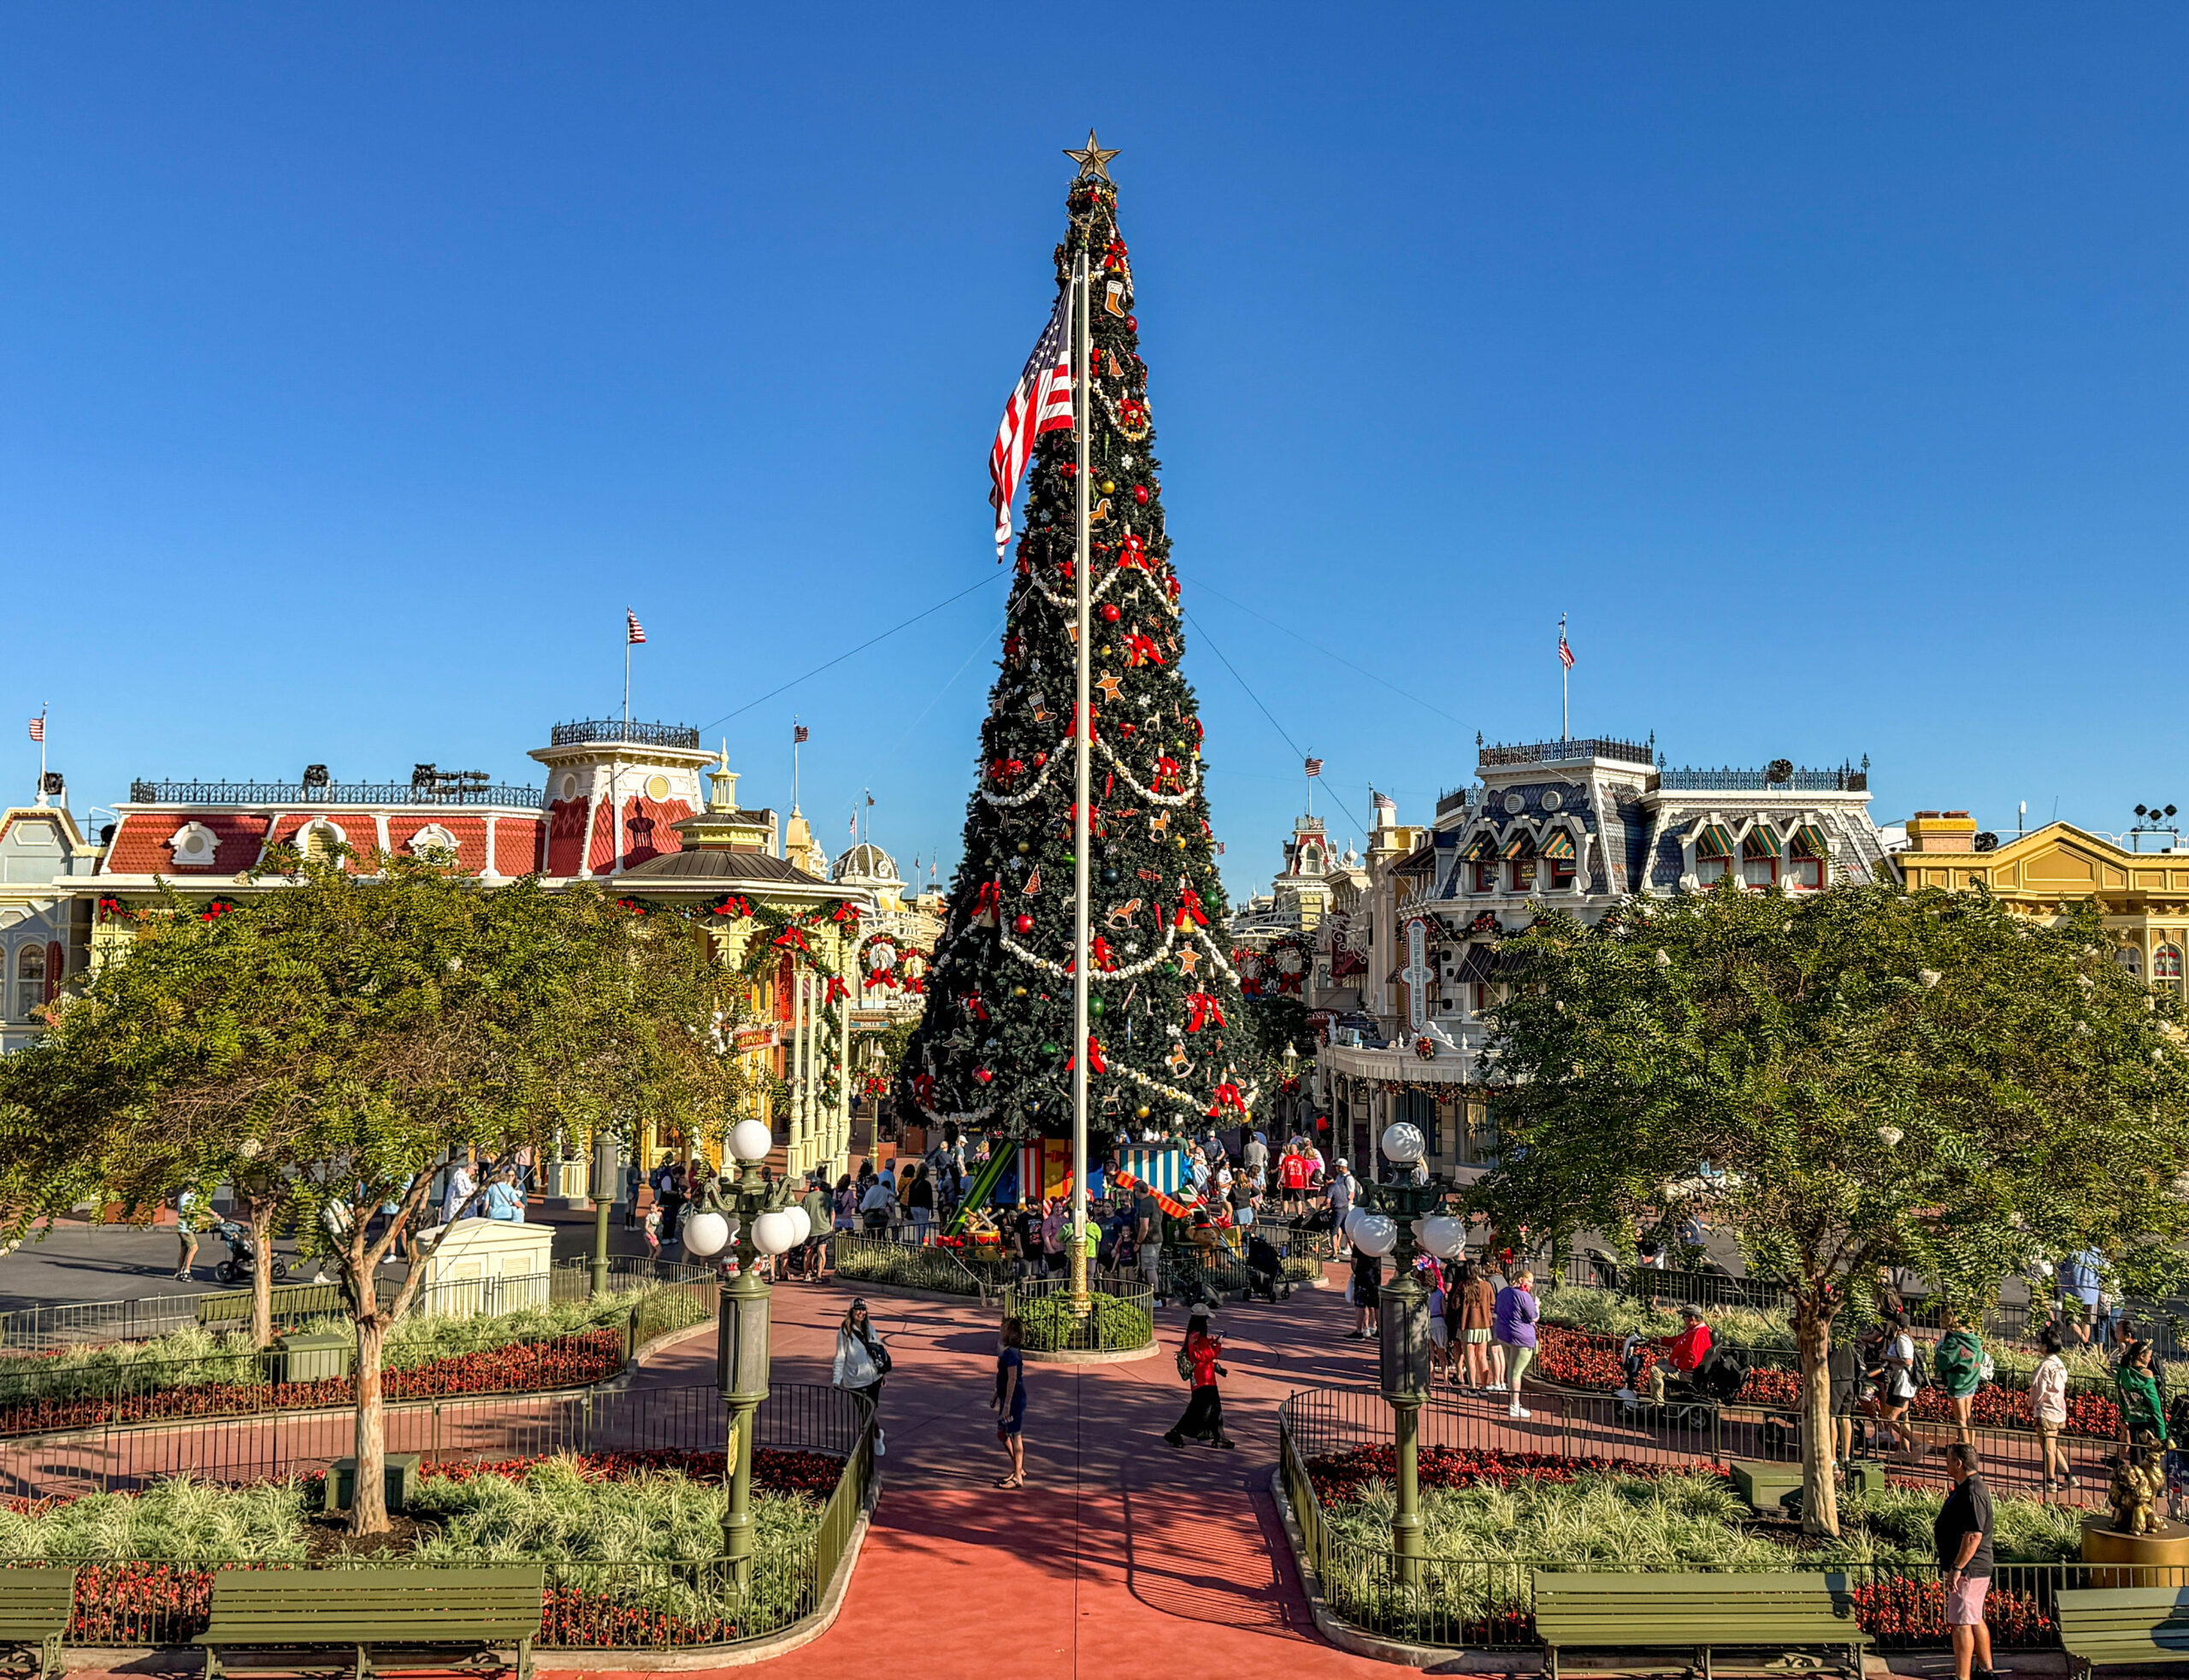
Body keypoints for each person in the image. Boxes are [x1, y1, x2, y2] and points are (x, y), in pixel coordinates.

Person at [1934, 1441, 1996, 1680]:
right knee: (1973, 1617)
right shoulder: (1967, 1488)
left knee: (1960, 1622)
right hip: (1972, 1567)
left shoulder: (1972, 1491)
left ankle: (1963, 1677)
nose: (1946, 1464)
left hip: (1970, 1568)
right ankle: (1986, 1671)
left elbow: (1974, 1535)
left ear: (1959, 1463)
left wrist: (1957, 1567)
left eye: (1948, 1459)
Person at [1163, 1307, 1234, 1449]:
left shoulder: (1197, 1337)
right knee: (1199, 1410)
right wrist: (1217, 1345)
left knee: (1214, 1408)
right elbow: (1205, 1355)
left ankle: (1218, 1436)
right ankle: (1176, 1432)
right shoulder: (1196, 1337)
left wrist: (1213, 1345)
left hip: (1206, 1378)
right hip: (1203, 1380)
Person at [832, 1299, 891, 1457]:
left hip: (873, 1377)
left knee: (870, 1412)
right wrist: (836, 1379)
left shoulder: (870, 1328)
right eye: (857, 1309)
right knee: (866, 1412)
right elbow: (840, 1356)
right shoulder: (845, 1332)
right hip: (855, 1379)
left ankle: (874, 1439)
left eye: (863, 1309)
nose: (861, 1312)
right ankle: (875, 1436)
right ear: (851, 1312)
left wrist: (883, 1372)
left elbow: (879, 1350)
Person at [2029, 1324, 2073, 1493]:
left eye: (2040, 1343)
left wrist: (2030, 1404)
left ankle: (2050, 1481)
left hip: (2046, 1409)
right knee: (2052, 1444)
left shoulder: (2045, 1366)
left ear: (2046, 1347)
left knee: (2047, 1446)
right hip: (2058, 1408)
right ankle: (2069, 1476)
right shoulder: (2060, 1364)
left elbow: (2038, 1390)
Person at [1933, 1308, 1985, 1447]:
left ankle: (1966, 1450)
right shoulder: (1973, 1338)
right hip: (1972, 1378)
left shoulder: (1954, 1341)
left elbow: (1944, 1361)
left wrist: (1938, 1358)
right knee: (1968, 1416)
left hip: (1958, 1382)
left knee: (1961, 1419)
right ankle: (1971, 1445)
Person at [1492, 1266, 1539, 1419]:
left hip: (1504, 1334)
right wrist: (1537, 1306)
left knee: (1511, 1370)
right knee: (1516, 1372)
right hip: (1521, 1337)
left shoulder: (1504, 1292)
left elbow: (1497, 1310)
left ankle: (1514, 1403)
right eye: (1530, 1281)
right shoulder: (1524, 1296)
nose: (1531, 1285)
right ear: (1522, 1280)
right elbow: (1533, 1317)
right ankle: (1514, 1405)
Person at [1646, 1305, 1714, 1403]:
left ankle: (1658, 1403)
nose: (1683, 1319)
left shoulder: (1700, 1334)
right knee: (1661, 1362)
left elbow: (1692, 1360)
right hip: (1683, 1369)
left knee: (1654, 1371)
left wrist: (1676, 1362)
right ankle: (1664, 1397)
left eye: (1684, 1317)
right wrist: (1660, 1341)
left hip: (1687, 1374)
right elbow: (1677, 1340)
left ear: (1693, 1318)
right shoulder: (1693, 1331)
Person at [991, 1315, 1028, 1488]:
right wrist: (997, 1394)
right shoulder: (1007, 1353)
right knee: (1002, 1433)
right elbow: (1003, 1378)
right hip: (1007, 1398)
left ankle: (1018, 1475)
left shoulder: (1012, 1355)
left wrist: (1007, 1405)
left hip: (1013, 1400)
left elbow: (1012, 1379)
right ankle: (1017, 1468)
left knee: (1015, 1434)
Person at [1879, 1311, 1921, 1461]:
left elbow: (1907, 1361)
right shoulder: (1898, 1338)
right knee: (1903, 1417)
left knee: (1890, 1419)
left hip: (1903, 1384)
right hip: (1898, 1382)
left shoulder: (1902, 1339)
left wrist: (1887, 1357)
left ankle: (1917, 1445)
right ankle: (1905, 1450)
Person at [1455, 1259, 1498, 1391]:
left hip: (1467, 1324)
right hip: (1484, 1325)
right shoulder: (1487, 1285)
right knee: (1482, 1356)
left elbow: (1455, 1304)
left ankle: (1472, 1386)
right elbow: (1493, 1303)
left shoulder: (1463, 1286)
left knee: (1470, 1358)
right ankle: (1484, 1387)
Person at [2118, 1337, 2167, 1444]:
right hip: (2148, 1424)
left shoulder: (2124, 1373)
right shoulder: (2146, 1376)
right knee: (2150, 1459)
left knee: (2136, 1458)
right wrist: (2162, 1435)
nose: (2150, 1359)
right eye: (2149, 1357)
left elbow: (2120, 1398)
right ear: (2141, 1356)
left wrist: (2125, 1416)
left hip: (2133, 1421)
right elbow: (2155, 1406)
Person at [2058, 1247, 2103, 1346]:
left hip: (2073, 1292)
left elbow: (2062, 1268)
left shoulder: (2073, 1253)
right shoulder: (2097, 1255)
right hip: (2092, 1292)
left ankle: (2085, 1342)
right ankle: (2084, 1348)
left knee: (2068, 1319)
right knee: (2086, 1322)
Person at [1828, 1332, 1860, 1464]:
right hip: (1850, 1379)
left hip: (1837, 1379)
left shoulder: (1832, 1336)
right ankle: (1846, 1457)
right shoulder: (1849, 1337)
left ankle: (1832, 1457)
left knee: (1832, 1417)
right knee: (1846, 1417)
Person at [1348, 1245, 1381, 1341]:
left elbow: (1354, 1261)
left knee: (1361, 1305)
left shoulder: (1359, 1242)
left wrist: (1355, 1272)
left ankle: (1360, 1331)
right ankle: (1378, 1330)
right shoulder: (1377, 1242)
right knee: (1375, 1304)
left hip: (1363, 1275)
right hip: (1375, 1274)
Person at [1328, 1160, 1355, 1262]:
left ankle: (1335, 1254)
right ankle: (1338, 1249)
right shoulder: (1339, 1177)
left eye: (1337, 1166)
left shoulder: (1349, 1179)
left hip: (1345, 1207)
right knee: (1343, 1230)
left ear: (1341, 1167)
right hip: (1342, 1206)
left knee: (1337, 1230)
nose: (1335, 1168)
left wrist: (1347, 1203)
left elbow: (1351, 1193)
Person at [174, 1189, 201, 1282]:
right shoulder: (187, 1197)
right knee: (194, 1247)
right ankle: (186, 1271)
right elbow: (188, 1212)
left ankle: (178, 1272)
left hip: (182, 1227)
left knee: (184, 1250)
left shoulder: (184, 1195)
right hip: (185, 1228)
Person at [440, 1158, 476, 1226]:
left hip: (464, 1211)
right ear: (469, 1168)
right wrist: (473, 1191)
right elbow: (461, 1192)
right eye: (474, 1170)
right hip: (456, 1210)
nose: (474, 1173)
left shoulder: (466, 1177)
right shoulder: (459, 1175)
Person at [908, 1164, 935, 1241]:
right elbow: (929, 1198)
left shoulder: (913, 1183)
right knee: (923, 1226)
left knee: (917, 1227)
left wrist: (909, 1207)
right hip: (923, 1207)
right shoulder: (927, 1184)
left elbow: (910, 1196)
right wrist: (932, 1210)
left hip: (914, 1207)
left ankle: (917, 1243)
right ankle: (920, 1243)